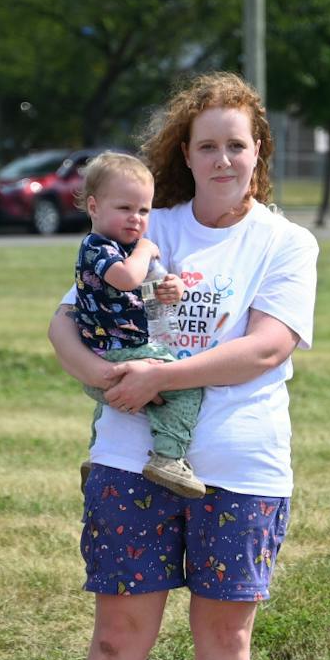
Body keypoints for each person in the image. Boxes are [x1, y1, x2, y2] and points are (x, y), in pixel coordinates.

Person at [36, 71, 318, 660]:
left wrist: (162, 376)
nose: (223, 158)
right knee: (118, 630)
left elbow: (267, 346)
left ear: (258, 152)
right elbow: (65, 321)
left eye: (237, 144)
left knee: (225, 633)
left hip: (241, 464)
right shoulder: (143, 221)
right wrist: (101, 377)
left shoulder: (286, 243)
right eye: (207, 146)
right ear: (184, 155)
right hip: (130, 463)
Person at [69, 152, 205, 498]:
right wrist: (145, 249)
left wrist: (166, 289)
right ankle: (168, 457)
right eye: (125, 208)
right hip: (115, 351)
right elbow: (127, 278)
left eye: (144, 211)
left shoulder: (119, 248)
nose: (136, 218)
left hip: (113, 349)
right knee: (185, 383)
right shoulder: (97, 247)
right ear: (94, 207)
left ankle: (95, 458)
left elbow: (138, 294)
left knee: (117, 405)